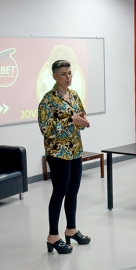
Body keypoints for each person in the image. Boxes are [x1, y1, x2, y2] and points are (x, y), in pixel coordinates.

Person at [38, 60, 91, 254]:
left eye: (69, 73)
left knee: (73, 191)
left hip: (75, 150)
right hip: (58, 153)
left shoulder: (75, 95)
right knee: (59, 192)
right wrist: (71, 120)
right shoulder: (47, 100)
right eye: (63, 74)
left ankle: (71, 229)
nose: (68, 77)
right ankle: (53, 236)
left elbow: (79, 116)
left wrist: (82, 121)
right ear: (54, 76)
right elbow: (46, 129)